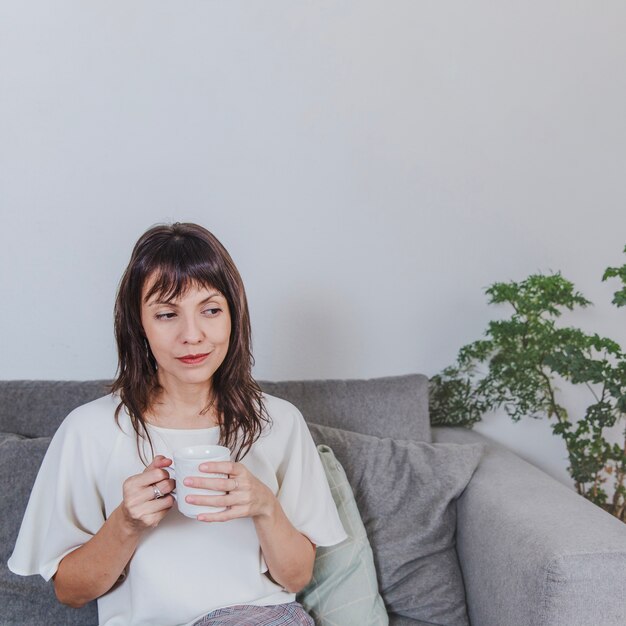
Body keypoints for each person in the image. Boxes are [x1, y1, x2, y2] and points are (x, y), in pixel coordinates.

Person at [8, 223, 346, 626]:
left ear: (233, 316)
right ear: (139, 325)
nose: (192, 335)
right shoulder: (88, 430)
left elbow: (295, 577)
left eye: (210, 310)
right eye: (167, 314)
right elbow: (71, 592)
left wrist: (264, 508)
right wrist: (126, 523)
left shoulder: (279, 421)